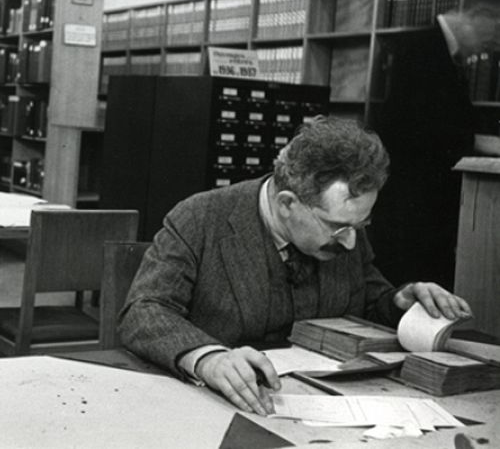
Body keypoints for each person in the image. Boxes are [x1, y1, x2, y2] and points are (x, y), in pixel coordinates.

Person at [118, 117, 472, 418]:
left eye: (360, 226)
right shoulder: (200, 219)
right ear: (287, 204)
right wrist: (209, 359)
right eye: (338, 228)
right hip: (218, 409)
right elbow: (145, 311)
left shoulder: (346, 227)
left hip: (326, 412)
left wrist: (400, 305)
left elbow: (366, 300)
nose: (350, 243)